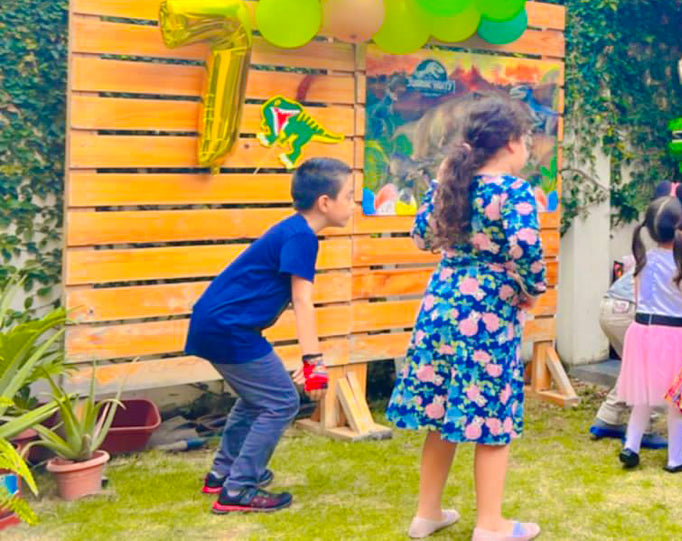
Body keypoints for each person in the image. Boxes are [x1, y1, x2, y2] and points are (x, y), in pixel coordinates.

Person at [386, 95, 548, 541]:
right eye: (527, 139)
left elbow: (421, 237)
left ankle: (427, 514)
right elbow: (526, 250)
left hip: (440, 305)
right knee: (490, 419)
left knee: (443, 412)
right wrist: (531, 292)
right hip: (488, 313)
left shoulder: (450, 182)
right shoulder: (512, 192)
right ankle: (491, 524)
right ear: (512, 142)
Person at [185, 157, 352, 514]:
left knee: (258, 398)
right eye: (349, 197)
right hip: (228, 328)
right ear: (325, 202)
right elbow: (302, 301)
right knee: (281, 402)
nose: (353, 205)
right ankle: (238, 489)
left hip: (219, 324)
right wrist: (314, 367)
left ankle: (223, 473)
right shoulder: (301, 236)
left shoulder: (293, 231)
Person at [613, 194, 682, 472]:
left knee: (642, 396)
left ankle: (631, 446)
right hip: (672, 335)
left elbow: (640, 296)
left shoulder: (641, 259)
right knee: (679, 400)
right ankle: (675, 459)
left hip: (640, 331)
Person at [589, 181, 682, 447]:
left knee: (636, 370)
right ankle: (644, 429)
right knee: (650, 374)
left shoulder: (648, 251)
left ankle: (609, 418)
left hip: (611, 305)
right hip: (633, 312)